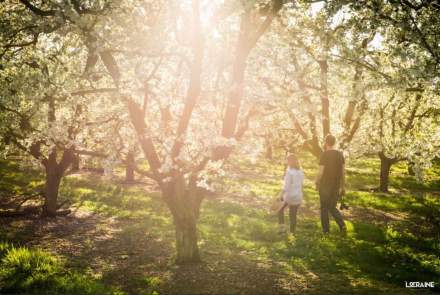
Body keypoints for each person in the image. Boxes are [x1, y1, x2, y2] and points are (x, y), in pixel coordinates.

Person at [315, 134, 347, 234]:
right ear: (335, 142)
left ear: (326, 142)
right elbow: (343, 172)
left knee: (324, 207)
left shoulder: (324, 155)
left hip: (325, 185)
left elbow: (320, 172)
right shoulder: (340, 155)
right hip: (336, 185)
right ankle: (342, 225)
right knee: (332, 207)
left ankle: (326, 231)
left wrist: (316, 182)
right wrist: (343, 186)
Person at [278, 154, 304, 234]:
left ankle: (282, 230)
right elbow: (301, 184)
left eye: (287, 160)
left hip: (290, 196)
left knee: (280, 210)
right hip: (298, 196)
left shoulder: (289, 172)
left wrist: (281, 195)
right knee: (293, 215)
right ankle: (292, 233)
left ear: (289, 161)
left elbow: (286, 186)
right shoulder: (300, 171)